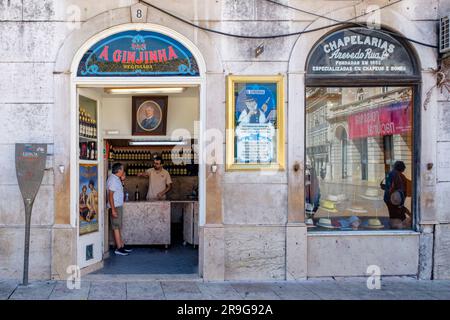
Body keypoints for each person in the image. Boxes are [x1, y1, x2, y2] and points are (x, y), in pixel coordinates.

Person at [107, 163, 132, 255]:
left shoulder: (116, 179)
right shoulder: (113, 180)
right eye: (122, 169)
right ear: (119, 170)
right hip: (115, 207)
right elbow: (110, 196)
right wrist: (113, 210)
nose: (124, 171)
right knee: (116, 227)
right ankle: (119, 248)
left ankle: (121, 245)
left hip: (118, 206)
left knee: (118, 226)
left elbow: (119, 190)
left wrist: (122, 180)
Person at [381, 160, 412, 229]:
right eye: (404, 167)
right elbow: (400, 189)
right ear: (401, 168)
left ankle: (394, 227)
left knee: (394, 215)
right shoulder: (399, 175)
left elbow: (386, 186)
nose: (404, 169)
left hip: (388, 199)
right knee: (399, 217)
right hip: (395, 200)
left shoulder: (390, 173)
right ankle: (397, 229)